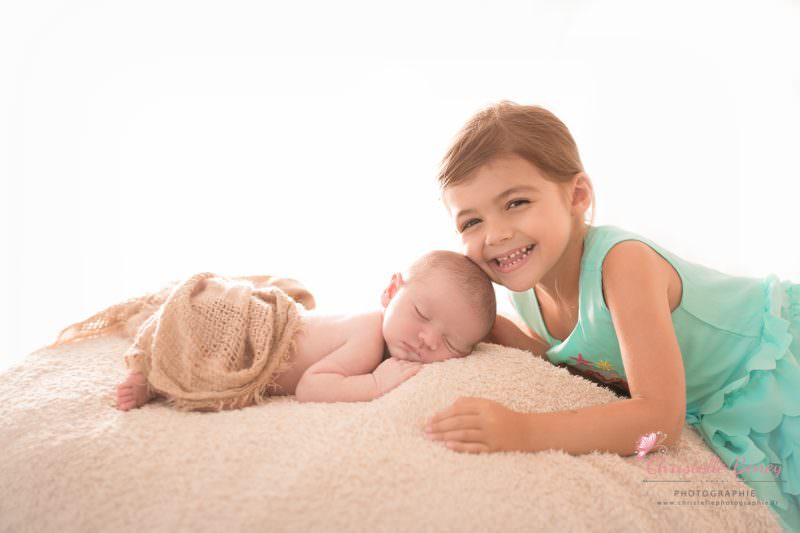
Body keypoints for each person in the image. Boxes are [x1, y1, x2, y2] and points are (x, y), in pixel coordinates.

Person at [423, 100, 799, 531]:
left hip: (768, 362)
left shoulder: (623, 265)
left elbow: (660, 419)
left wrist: (522, 431)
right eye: (470, 222)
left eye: (516, 202)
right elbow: (577, 357)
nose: (495, 235)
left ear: (577, 196)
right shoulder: (524, 289)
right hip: (716, 398)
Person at [116, 250, 496, 409]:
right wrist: (374, 385)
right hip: (255, 328)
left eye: (451, 343)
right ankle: (147, 372)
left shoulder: (389, 343)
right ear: (392, 290)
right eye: (421, 313)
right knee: (194, 336)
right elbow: (311, 387)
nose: (428, 340)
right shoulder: (368, 335)